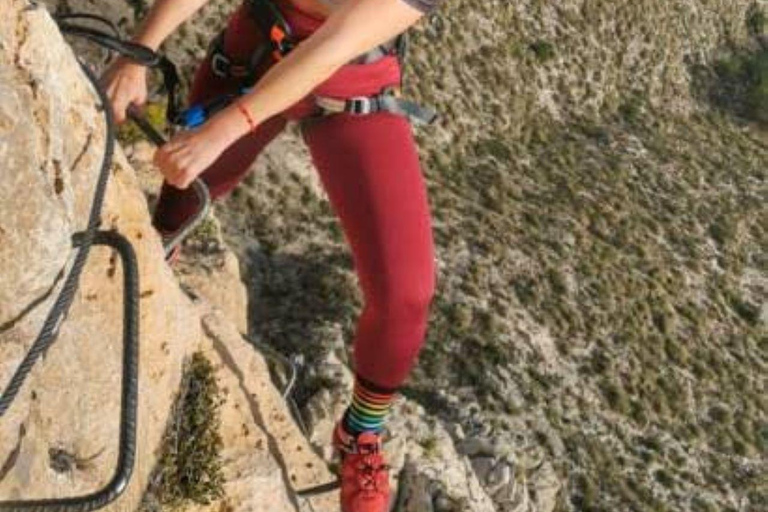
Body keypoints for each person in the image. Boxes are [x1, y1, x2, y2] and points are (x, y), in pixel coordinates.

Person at [102, 0, 442, 510]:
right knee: (179, 209)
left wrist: (220, 131)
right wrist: (140, 51)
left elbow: (331, 47)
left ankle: (360, 434)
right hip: (256, 54)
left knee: (407, 294)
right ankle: (149, 281)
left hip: (346, 81)